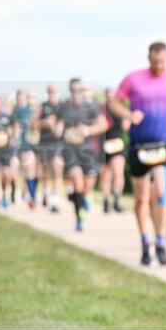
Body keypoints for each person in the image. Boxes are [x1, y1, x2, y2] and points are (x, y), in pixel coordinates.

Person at [109, 41, 166, 266]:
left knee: (162, 191)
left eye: (162, 62)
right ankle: (145, 241)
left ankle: (160, 240)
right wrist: (127, 114)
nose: (158, 66)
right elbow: (114, 102)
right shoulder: (133, 78)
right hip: (139, 144)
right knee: (142, 197)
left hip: (163, 143)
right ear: (148, 58)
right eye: (154, 62)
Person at [59, 78, 108, 231]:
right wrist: (58, 129)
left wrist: (88, 130)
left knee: (87, 185)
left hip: (87, 151)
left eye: (78, 90)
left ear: (82, 91)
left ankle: (79, 198)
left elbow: (103, 124)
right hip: (70, 151)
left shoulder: (90, 107)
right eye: (73, 90)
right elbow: (57, 124)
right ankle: (79, 218)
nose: (75, 93)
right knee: (78, 182)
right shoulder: (64, 108)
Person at [35, 84, 65, 212]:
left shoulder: (63, 107)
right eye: (49, 92)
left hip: (58, 143)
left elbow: (63, 126)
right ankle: (46, 191)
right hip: (44, 143)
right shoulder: (42, 107)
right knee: (45, 171)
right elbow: (32, 124)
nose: (52, 94)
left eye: (54, 92)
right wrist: (44, 123)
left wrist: (57, 125)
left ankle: (55, 199)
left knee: (57, 167)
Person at [100, 87, 129, 213]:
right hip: (103, 144)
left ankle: (117, 199)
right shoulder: (100, 110)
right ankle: (106, 199)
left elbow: (126, 127)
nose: (111, 97)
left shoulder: (120, 109)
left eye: (113, 95)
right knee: (106, 174)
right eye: (108, 95)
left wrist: (126, 116)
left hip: (117, 143)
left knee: (118, 172)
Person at [14, 91, 40, 209]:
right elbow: (16, 127)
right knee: (29, 170)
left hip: (41, 145)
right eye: (28, 97)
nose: (31, 100)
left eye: (33, 97)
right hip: (26, 145)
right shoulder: (21, 111)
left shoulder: (41, 110)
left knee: (38, 172)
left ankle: (30, 192)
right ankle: (32, 196)